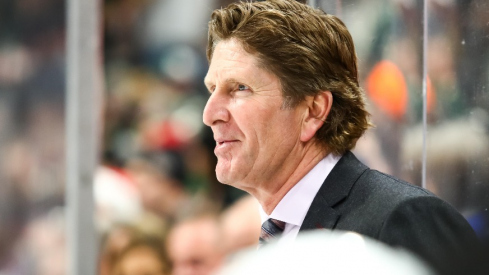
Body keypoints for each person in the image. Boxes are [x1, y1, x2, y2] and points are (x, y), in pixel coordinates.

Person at [202, 0, 479, 273]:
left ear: (313, 111)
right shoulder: (254, 244)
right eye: (211, 89)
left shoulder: (406, 220)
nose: (209, 113)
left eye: (239, 88)